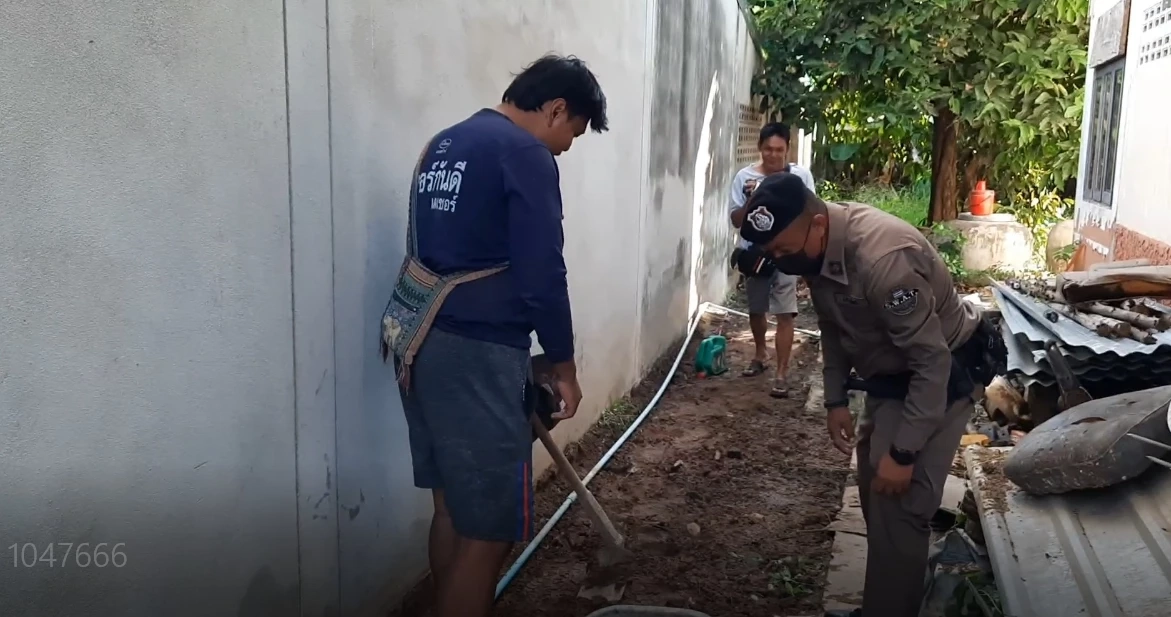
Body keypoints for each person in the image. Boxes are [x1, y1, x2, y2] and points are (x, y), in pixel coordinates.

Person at [386, 55, 607, 617]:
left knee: (452, 513)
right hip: (477, 357)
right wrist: (562, 363)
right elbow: (541, 271)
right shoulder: (523, 152)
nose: (566, 148)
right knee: (488, 532)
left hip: (420, 341)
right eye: (573, 133)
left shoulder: (443, 143)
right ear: (556, 109)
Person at [738, 173, 997, 617]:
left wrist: (904, 450)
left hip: (942, 377)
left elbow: (931, 364)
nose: (780, 259)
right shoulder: (815, 252)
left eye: (783, 249)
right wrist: (836, 398)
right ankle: (884, 603)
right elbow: (834, 327)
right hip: (892, 379)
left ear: (818, 225)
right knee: (875, 497)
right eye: (773, 253)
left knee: (901, 504)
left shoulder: (884, 261)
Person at [728, 122, 816, 398]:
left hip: (788, 255)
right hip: (756, 254)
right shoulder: (745, 177)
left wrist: (806, 256)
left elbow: (813, 213)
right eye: (768, 149)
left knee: (785, 312)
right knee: (756, 309)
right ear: (760, 149)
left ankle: (781, 373)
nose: (774, 155)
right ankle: (760, 354)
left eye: (779, 150)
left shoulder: (800, 176)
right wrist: (754, 198)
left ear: (788, 149)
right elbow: (735, 220)